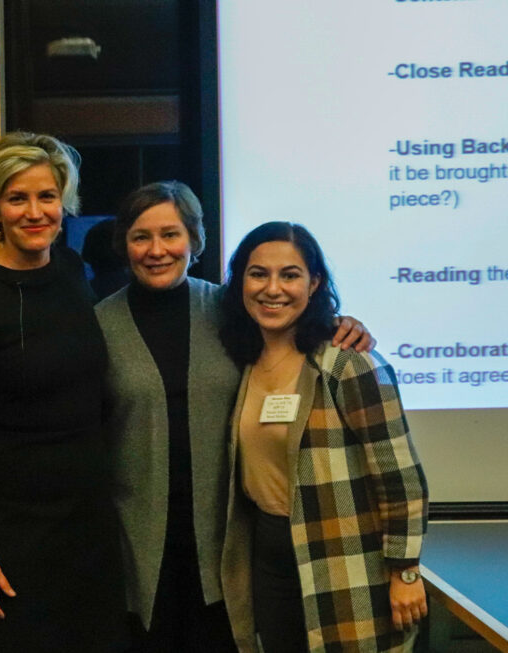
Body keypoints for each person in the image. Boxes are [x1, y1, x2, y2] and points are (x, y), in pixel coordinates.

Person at [94, 181, 373, 652]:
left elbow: (292, 322)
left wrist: (344, 325)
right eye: (142, 237)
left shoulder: (229, 309)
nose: (157, 250)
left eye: (171, 234)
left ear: (195, 241)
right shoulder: (98, 325)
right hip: (137, 541)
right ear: (124, 244)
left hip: (228, 538)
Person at [0, 132, 126, 652]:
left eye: (47, 197)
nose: (35, 212)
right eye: (17, 198)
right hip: (9, 532)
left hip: (88, 525)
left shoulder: (73, 275)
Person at [218, 222, 428, 653]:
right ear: (240, 280)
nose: (272, 288)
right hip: (269, 553)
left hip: (344, 555)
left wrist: (405, 570)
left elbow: (399, 475)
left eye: (290, 275)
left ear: (314, 283)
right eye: (258, 274)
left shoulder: (348, 363)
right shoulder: (241, 359)